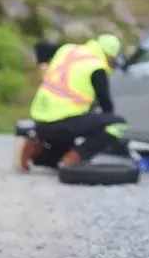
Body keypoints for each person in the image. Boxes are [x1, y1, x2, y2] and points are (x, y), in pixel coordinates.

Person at [14, 34, 128, 173]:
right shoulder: (97, 67)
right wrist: (105, 141)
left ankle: (34, 148)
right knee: (117, 124)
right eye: (112, 61)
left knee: (57, 158)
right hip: (64, 122)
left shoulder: (68, 50)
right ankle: (74, 159)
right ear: (109, 57)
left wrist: (43, 65)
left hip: (40, 121)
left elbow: (41, 47)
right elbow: (107, 109)